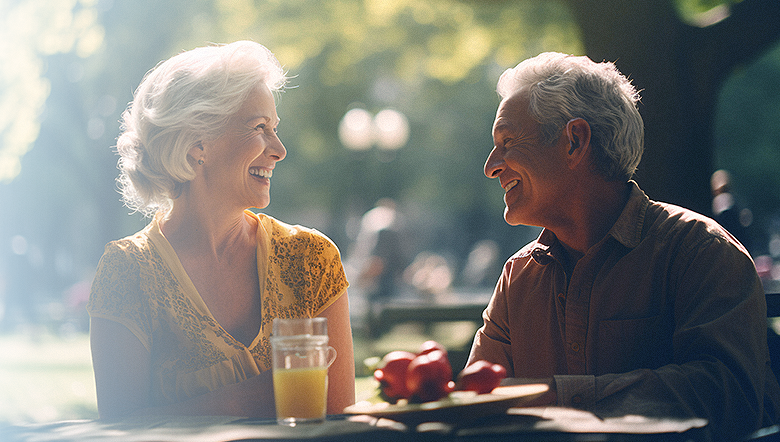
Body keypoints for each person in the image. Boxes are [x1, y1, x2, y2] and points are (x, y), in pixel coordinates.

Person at [468, 52, 780, 441]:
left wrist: (553, 397)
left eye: (508, 141)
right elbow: (476, 406)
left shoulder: (702, 252)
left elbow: (728, 399)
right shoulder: (518, 277)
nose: (491, 165)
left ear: (574, 141)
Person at [87, 41, 355, 419]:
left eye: (275, 129)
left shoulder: (311, 259)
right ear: (199, 144)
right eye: (260, 128)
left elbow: (343, 425)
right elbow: (118, 430)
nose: (279, 149)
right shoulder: (128, 270)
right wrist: (262, 395)